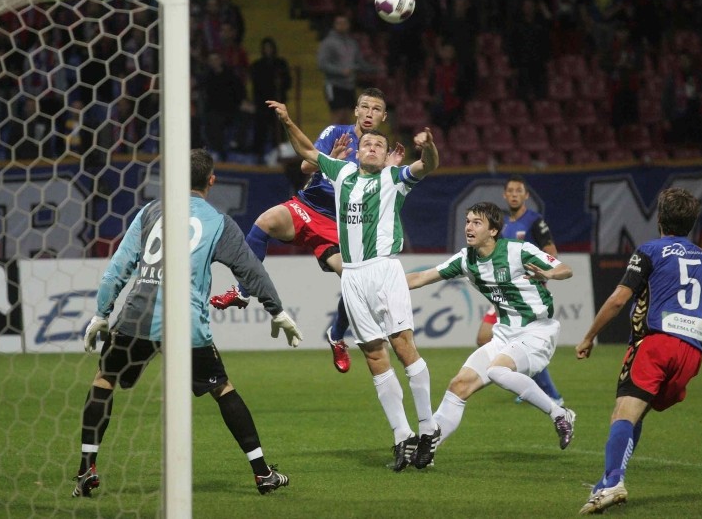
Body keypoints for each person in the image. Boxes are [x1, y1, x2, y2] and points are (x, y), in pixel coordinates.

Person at [71, 149, 303, 498]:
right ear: (211, 180)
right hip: (186, 323)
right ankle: (262, 473)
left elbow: (118, 267)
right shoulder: (219, 222)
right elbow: (251, 271)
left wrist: (102, 313)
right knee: (222, 388)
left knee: (104, 379)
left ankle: (86, 469)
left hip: (137, 317)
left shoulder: (149, 212)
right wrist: (278, 310)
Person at [272, 97, 440, 472]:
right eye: (368, 143)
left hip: (384, 270)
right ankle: (402, 436)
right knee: (374, 355)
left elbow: (427, 166)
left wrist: (427, 148)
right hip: (352, 275)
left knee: (402, 346)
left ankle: (428, 428)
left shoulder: (394, 179)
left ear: (385, 156)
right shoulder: (342, 174)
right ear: (359, 150)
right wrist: (287, 120)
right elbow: (307, 151)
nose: (373, 148)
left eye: (380, 145)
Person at [575, 187, 702, 515]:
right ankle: (607, 481)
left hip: (655, 344)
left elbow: (618, 299)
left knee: (623, 413)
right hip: (690, 354)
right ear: (692, 223)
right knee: (637, 414)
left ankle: (612, 484)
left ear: (660, 219)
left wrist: (588, 337)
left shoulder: (650, 250)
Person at [211, 88, 402, 375]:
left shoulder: (381, 152)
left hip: (340, 225)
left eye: (376, 109)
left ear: (383, 116)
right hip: (307, 206)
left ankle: (336, 336)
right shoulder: (336, 133)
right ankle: (243, 291)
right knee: (265, 221)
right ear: (356, 110)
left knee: (353, 281)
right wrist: (332, 155)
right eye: (365, 107)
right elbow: (304, 164)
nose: (369, 114)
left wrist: (387, 172)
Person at [405, 201, 577, 469]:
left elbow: (566, 269)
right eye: (467, 221)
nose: (469, 227)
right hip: (505, 334)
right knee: (459, 385)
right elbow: (421, 277)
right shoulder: (466, 259)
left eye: (476, 222)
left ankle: (559, 413)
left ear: (494, 230)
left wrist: (551, 273)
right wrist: (384, 285)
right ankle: (428, 447)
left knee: (497, 371)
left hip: (537, 331)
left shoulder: (519, 251)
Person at [476, 175, 566, 407]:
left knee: (517, 341)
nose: (514, 194)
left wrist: (541, 272)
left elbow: (552, 253)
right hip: (504, 289)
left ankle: (551, 394)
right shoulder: (502, 222)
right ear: (505, 195)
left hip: (525, 292)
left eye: (519, 191)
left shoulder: (536, 222)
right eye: (511, 191)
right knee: (483, 337)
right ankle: (527, 382)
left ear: (526, 196)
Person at [316, 14, 380, 125]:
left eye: (344, 23)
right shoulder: (328, 43)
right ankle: (330, 141)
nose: (342, 25)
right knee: (337, 115)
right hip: (334, 85)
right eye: (339, 23)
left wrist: (374, 68)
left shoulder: (352, 43)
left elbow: (360, 62)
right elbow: (322, 64)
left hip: (349, 85)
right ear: (334, 25)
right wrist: (341, 71)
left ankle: (345, 142)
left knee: (347, 116)